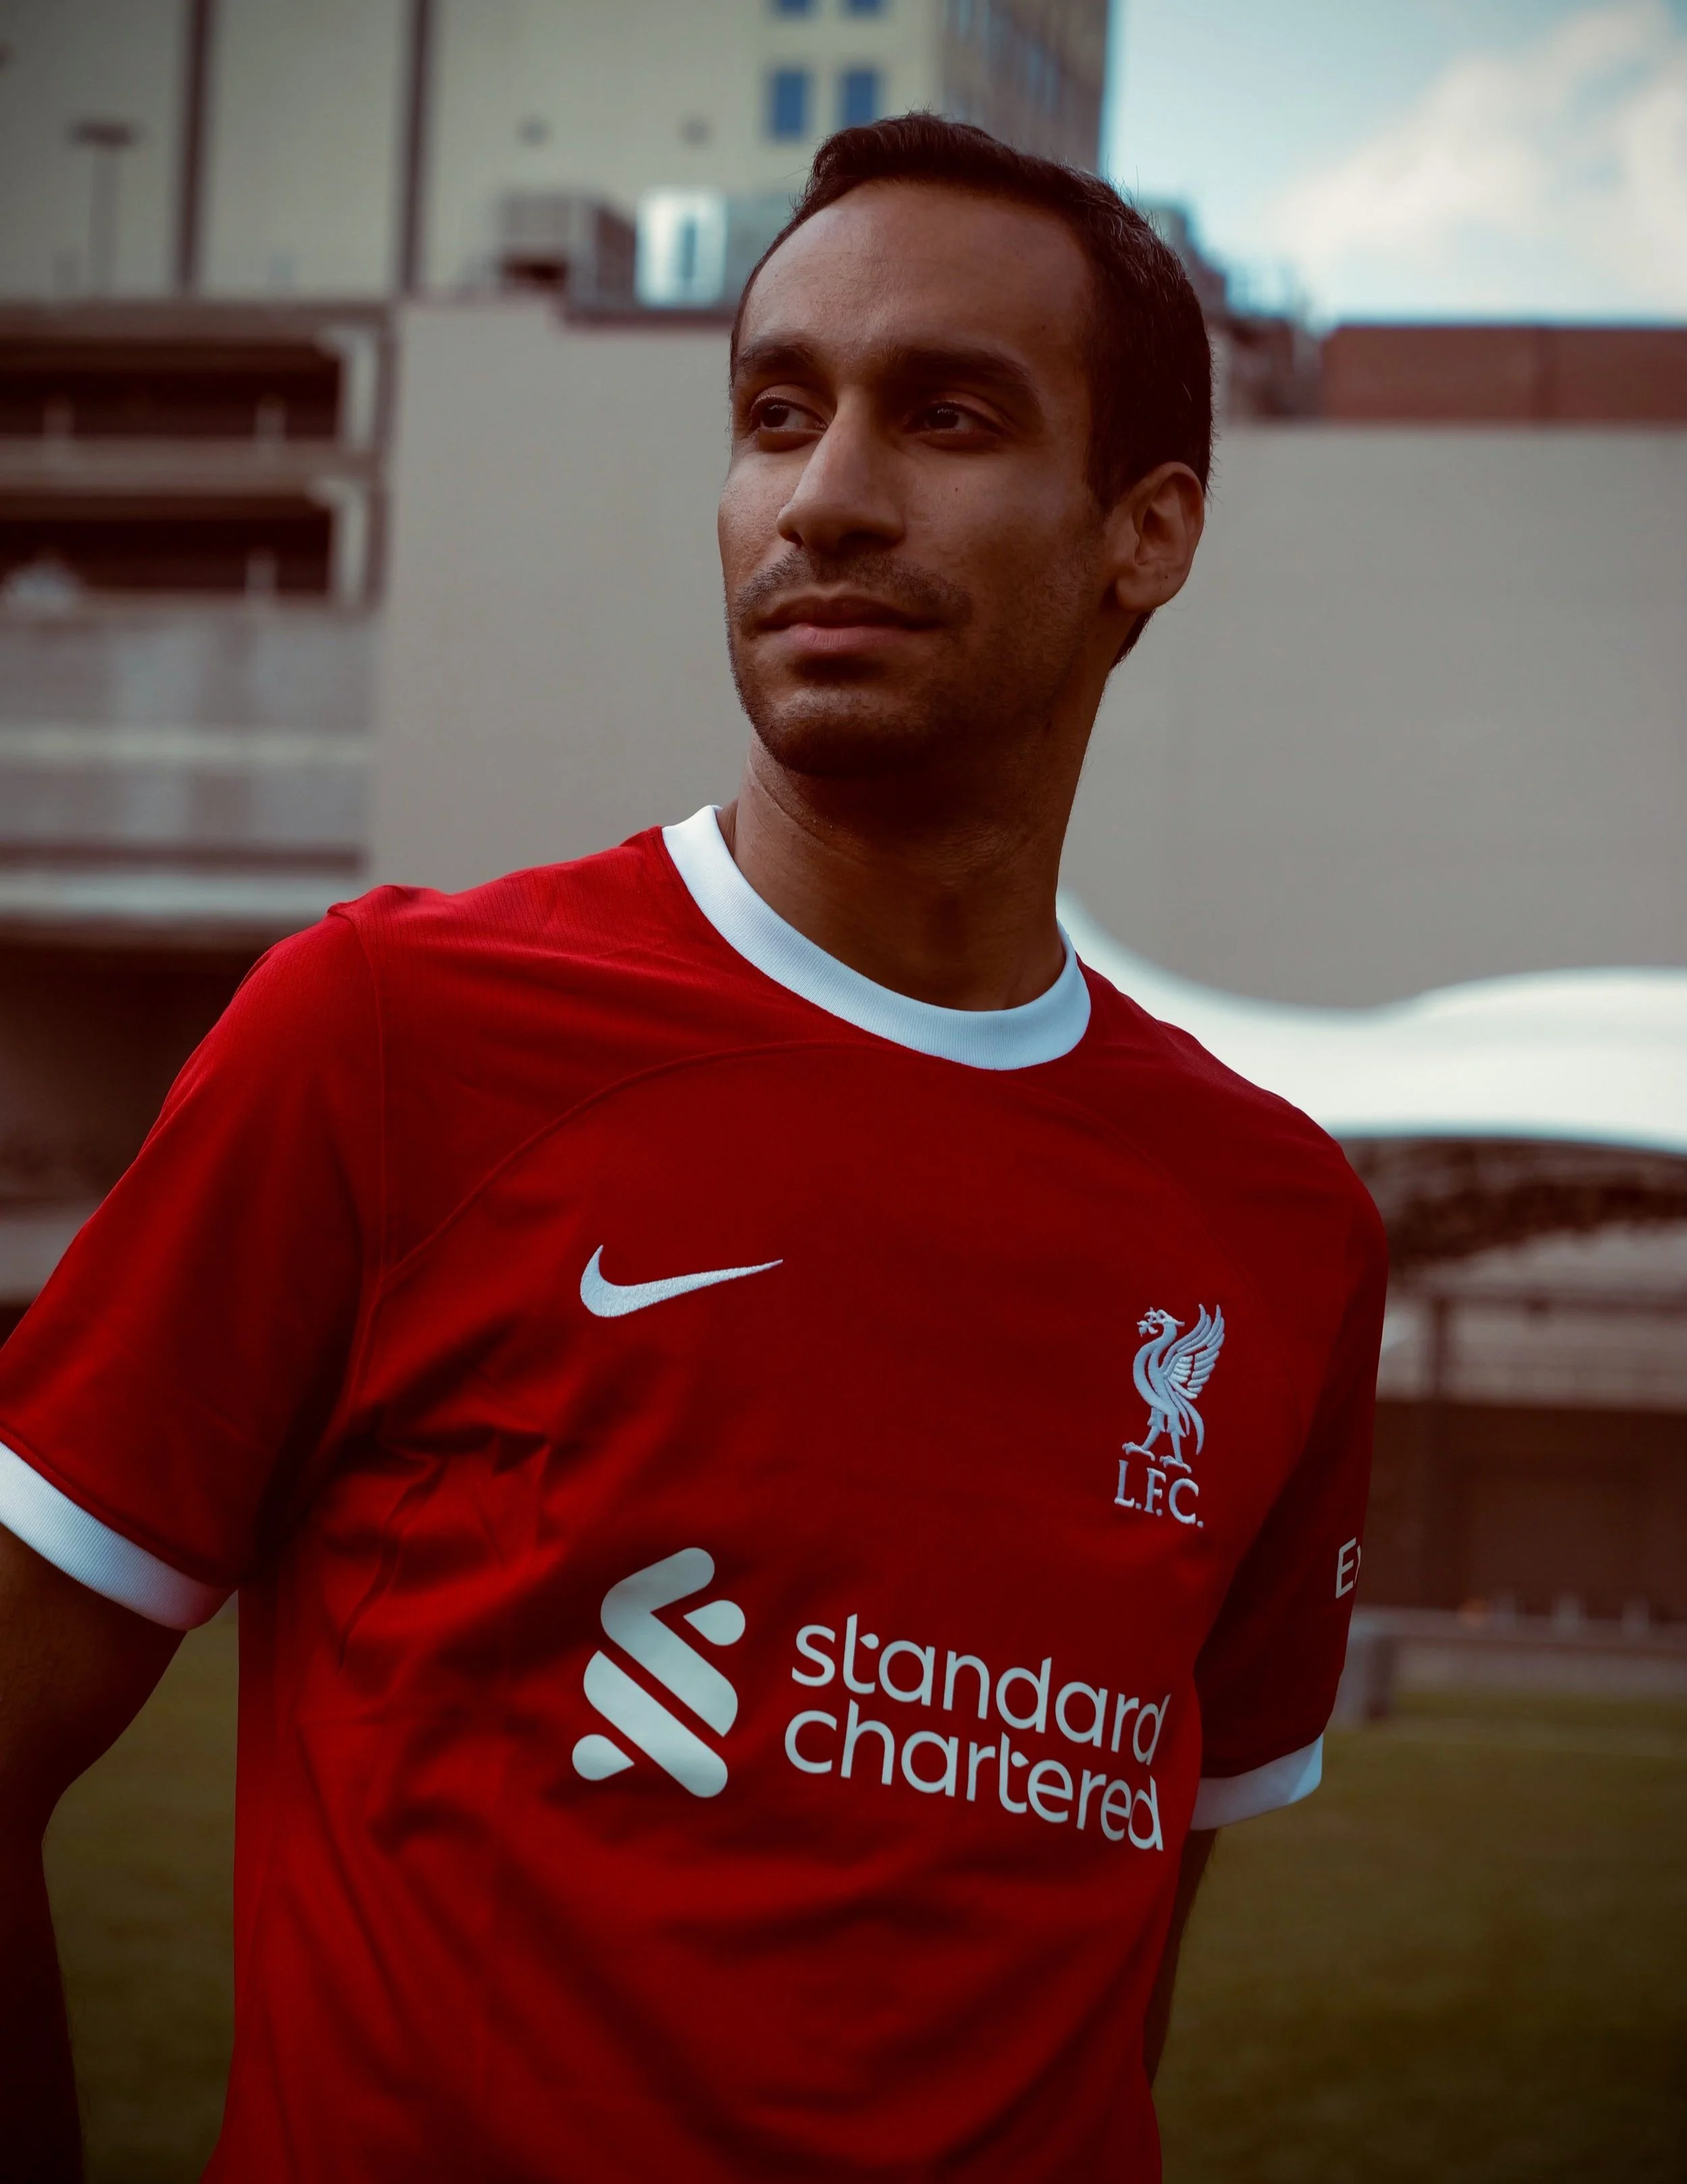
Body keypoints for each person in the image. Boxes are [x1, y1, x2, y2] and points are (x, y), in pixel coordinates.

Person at [0, 116, 1385, 2182]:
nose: (822, 498)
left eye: (943, 416)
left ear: (1146, 530)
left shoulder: (1279, 1232)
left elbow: (1104, 1938)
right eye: (772, 413)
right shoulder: (385, 1039)